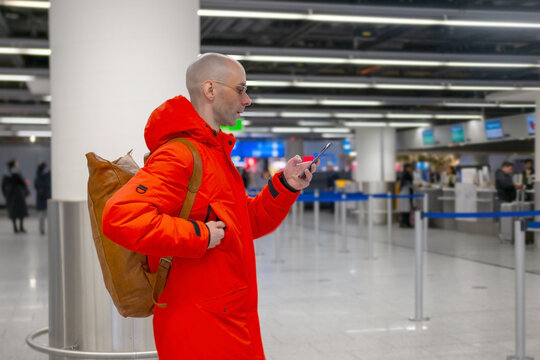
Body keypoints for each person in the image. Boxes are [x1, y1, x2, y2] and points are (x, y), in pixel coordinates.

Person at [102, 53, 318, 360]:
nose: (248, 100)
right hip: (199, 326)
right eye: (241, 89)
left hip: (228, 315)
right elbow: (120, 216)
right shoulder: (180, 155)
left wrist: (286, 186)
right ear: (210, 89)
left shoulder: (213, 153)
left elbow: (244, 224)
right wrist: (199, 235)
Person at [1, 159, 29, 233]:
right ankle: (21, 227)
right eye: (16, 163)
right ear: (14, 164)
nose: (17, 164)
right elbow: (22, 183)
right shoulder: (16, 173)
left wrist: (5, 194)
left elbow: (3, 185)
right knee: (21, 212)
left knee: (13, 212)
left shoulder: (6, 174)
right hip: (18, 195)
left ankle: (15, 228)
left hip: (10, 195)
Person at [34, 162, 51, 235]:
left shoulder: (38, 176)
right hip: (44, 198)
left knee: (42, 216)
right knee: (44, 215)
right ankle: (43, 229)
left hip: (41, 198)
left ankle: (42, 229)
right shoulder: (45, 176)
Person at [397, 163, 414, 228]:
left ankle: (404, 222)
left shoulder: (404, 174)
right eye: (409, 167)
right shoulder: (406, 174)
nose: (410, 169)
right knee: (406, 208)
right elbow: (408, 184)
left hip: (405, 192)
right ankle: (406, 222)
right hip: (406, 192)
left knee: (405, 208)